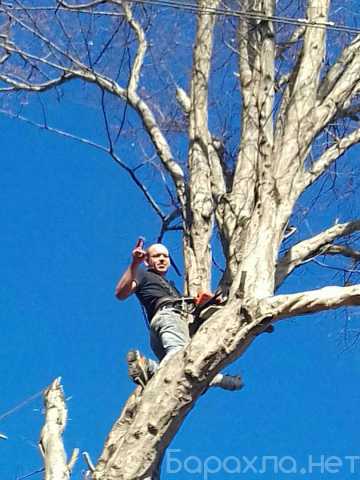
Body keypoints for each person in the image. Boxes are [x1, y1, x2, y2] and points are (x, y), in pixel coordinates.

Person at [115, 239, 243, 391]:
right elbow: (121, 293)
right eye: (156, 256)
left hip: (164, 326)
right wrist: (135, 263)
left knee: (184, 379)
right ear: (147, 261)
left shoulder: (170, 286)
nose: (162, 259)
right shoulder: (142, 274)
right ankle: (223, 380)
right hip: (169, 318)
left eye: (165, 256)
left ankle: (150, 368)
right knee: (179, 359)